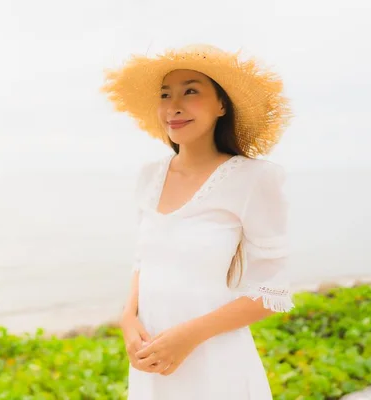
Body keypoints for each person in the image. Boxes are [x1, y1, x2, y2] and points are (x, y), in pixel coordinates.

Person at [100, 44, 295, 399]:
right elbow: (143, 262)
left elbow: (273, 292)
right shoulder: (148, 176)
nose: (173, 106)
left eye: (191, 91)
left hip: (216, 364)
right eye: (165, 94)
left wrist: (189, 337)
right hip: (152, 364)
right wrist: (128, 320)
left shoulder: (254, 179)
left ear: (222, 104)